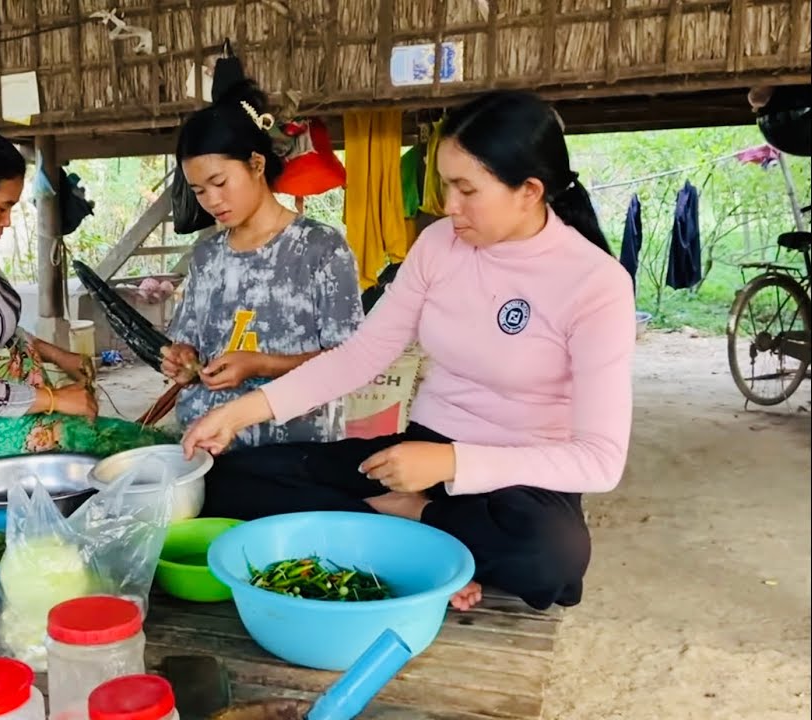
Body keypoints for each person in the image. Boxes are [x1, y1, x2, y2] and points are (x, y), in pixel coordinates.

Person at [181, 90, 636, 612]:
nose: (448, 205)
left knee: (550, 553)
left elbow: (599, 462)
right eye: (445, 184)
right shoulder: (440, 245)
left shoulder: (595, 283)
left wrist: (450, 464)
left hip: (517, 476)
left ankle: (413, 521)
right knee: (227, 480)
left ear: (529, 191)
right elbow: (360, 355)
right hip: (419, 450)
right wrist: (240, 412)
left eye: (466, 189)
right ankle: (428, 546)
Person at [0, 127, 172, 468]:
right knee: (134, 454)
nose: (7, 221)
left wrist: (58, 355)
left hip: (12, 411)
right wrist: (55, 399)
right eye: (2, 207)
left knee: (132, 448)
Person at [159, 79, 363, 448]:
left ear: (256, 164)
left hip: (295, 450)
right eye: (199, 191)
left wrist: (261, 364)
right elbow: (190, 341)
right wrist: (183, 360)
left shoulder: (320, 248)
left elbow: (350, 363)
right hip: (207, 445)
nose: (212, 201)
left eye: (220, 182)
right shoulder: (207, 256)